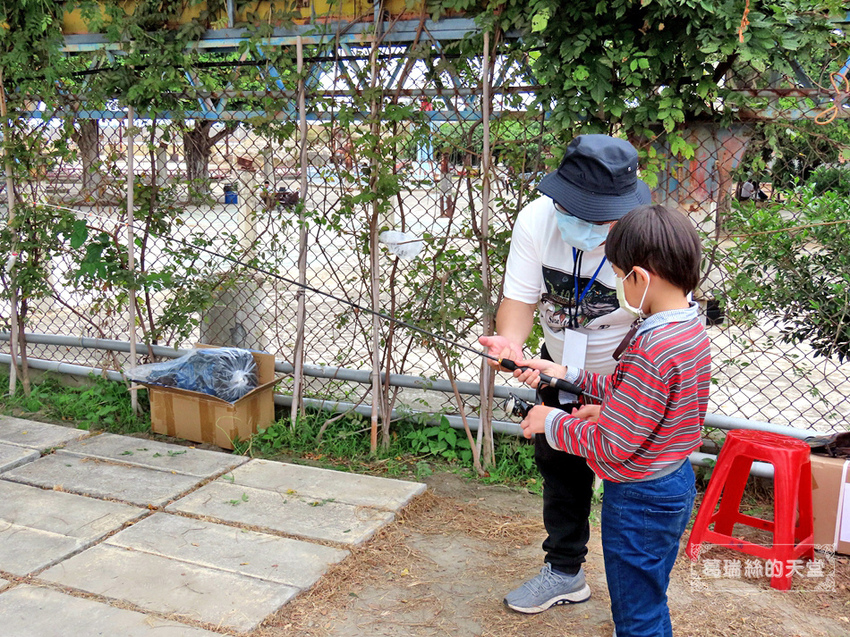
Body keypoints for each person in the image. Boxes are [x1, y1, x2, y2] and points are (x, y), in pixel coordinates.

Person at [514, 203, 711, 637]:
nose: (621, 285)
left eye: (622, 276)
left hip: (640, 499)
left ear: (640, 278)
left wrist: (550, 421)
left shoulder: (652, 346)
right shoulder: (686, 328)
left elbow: (612, 444)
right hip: (672, 480)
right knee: (649, 595)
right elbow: (644, 399)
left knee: (636, 615)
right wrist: (567, 374)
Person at [478, 134, 651, 614]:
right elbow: (519, 299)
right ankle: (564, 573)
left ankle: (636, 600)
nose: (587, 226)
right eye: (576, 212)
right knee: (559, 466)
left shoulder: (643, 234)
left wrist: (622, 392)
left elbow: (660, 317)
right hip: (556, 364)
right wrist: (510, 345)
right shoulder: (535, 219)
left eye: (600, 219)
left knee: (628, 481)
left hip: (626, 375)